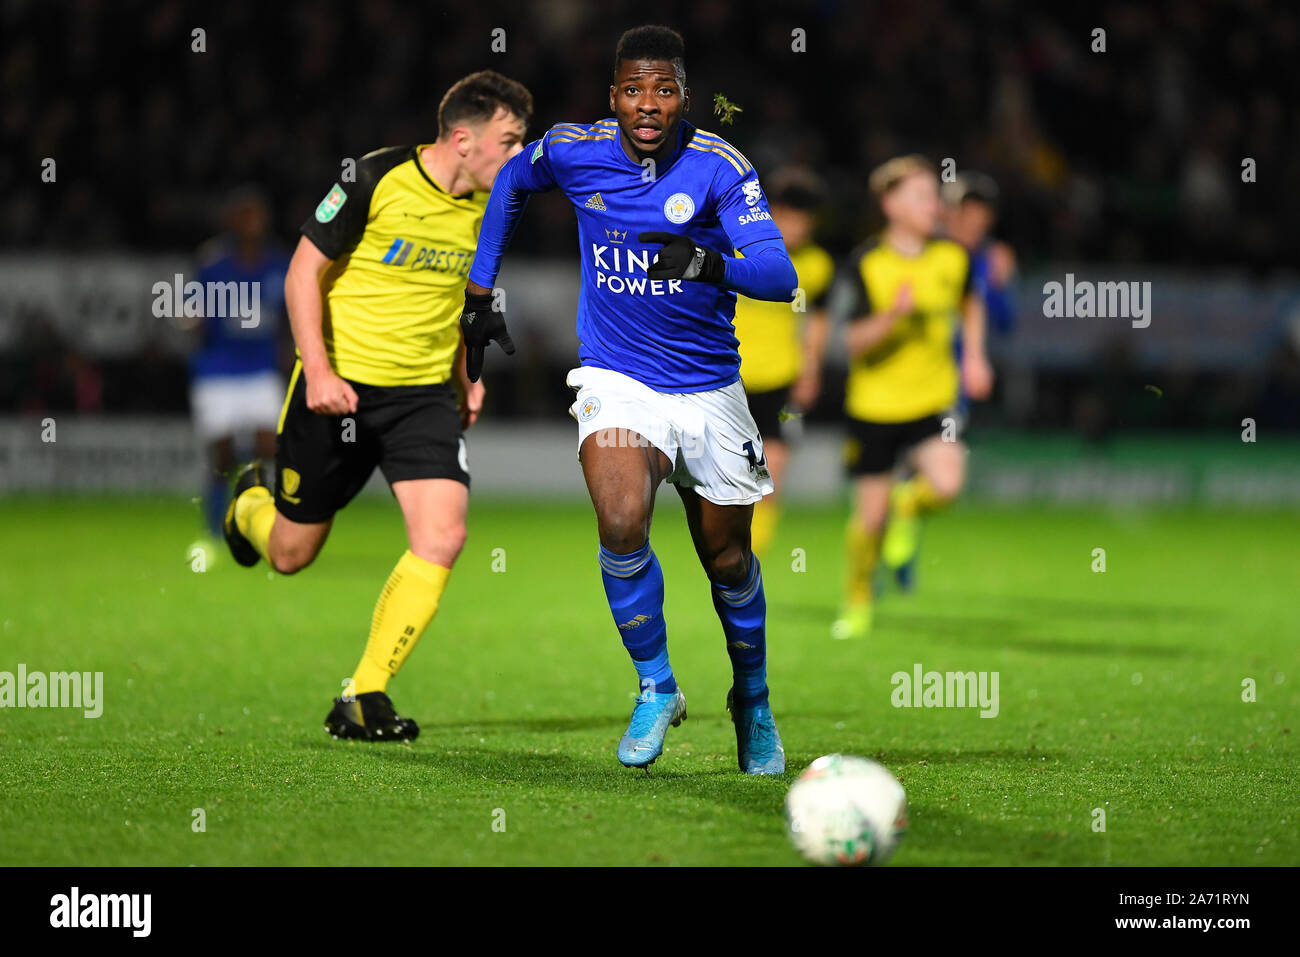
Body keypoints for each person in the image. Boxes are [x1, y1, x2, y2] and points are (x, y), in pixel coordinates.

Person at [459, 25, 797, 774]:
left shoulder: (719, 168)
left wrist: (711, 262)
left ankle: (753, 697)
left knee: (728, 558)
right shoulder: (574, 150)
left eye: (664, 89)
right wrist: (479, 291)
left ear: (684, 97)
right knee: (619, 520)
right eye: (634, 89)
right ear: (613, 95)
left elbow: (779, 276)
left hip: (710, 387)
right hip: (618, 377)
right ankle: (657, 683)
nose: (649, 104)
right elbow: (512, 180)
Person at [222, 71, 533, 740]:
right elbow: (303, 271)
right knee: (289, 552)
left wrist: (465, 375)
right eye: (509, 141)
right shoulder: (373, 179)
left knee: (443, 535)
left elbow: (459, 297)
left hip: (422, 397)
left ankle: (363, 694)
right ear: (461, 137)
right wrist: (320, 372)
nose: (519, 155)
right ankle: (248, 503)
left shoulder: (493, 204)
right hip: (339, 393)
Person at [832, 155, 993, 640]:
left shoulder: (952, 256)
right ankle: (858, 598)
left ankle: (910, 505)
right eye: (922, 195)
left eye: (935, 194)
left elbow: (971, 302)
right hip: (874, 407)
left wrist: (975, 357)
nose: (935, 204)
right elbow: (849, 343)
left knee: (946, 486)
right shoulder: (867, 263)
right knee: (870, 519)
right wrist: (891, 318)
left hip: (933, 400)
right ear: (891, 203)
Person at [731, 167, 834, 555]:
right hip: (730, 375)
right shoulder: (738, 249)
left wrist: (811, 369)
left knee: (771, 473)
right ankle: (730, 545)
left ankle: (748, 557)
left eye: (804, 219)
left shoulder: (817, 265)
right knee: (730, 475)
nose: (796, 226)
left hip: (783, 378)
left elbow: (817, 319)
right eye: (788, 216)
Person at [188, 187, 289, 538]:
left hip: (260, 370)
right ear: (232, 221)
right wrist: (191, 322)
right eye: (245, 215)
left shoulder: (279, 263)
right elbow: (192, 313)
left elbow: (289, 318)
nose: (253, 222)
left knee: (270, 446)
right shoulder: (212, 264)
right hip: (218, 370)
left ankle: (266, 521)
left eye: (258, 215)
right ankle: (216, 527)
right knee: (223, 455)